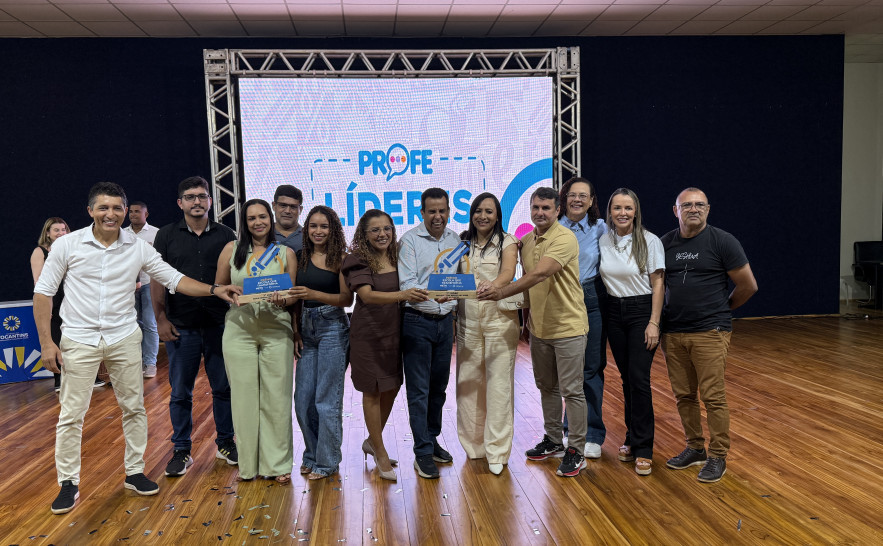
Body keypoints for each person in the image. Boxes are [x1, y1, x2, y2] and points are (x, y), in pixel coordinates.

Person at [34, 182, 240, 515]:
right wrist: (46, 342)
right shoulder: (67, 245)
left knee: (134, 408)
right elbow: (43, 293)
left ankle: (134, 472)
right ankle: (68, 483)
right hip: (79, 340)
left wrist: (214, 289)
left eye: (117, 207)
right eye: (103, 207)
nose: (111, 214)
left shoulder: (138, 247)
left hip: (124, 338)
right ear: (90, 211)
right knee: (71, 415)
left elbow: (174, 278)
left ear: (124, 211)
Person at [477, 187, 589, 478]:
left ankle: (576, 450)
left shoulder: (564, 237)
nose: (540, 212)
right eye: (536, 207)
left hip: (568, 327)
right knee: (547, 387)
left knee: (572, 391)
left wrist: (499, 292)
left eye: (546, 208)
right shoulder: (526, 241)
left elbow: (539, 274)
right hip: (540, 329)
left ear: (557, 211)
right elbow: (528, 286)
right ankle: (553, 440)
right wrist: (526, 322)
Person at [661, 187, 757, 483]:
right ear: (675, 210)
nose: (694, 209)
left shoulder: (723, 241)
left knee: (713, 397)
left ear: (708, 209)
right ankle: (695, 448)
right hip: (673, 332)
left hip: (710, 332)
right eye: (686, 205)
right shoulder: (664, 243)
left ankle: (717, 455)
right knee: (684, 395)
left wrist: (722, 310)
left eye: (699, 204)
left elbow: (748, 286)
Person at [151, 177, 237, 478]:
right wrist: (160, 318)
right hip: (181, 326)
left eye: (202, 196)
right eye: (190, 197)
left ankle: (226, 443)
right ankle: (181, 450)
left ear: (210, 200)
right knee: (180, 393)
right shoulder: (165, 235)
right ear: (180, 203)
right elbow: (157, 278)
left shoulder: (226, 234)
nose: (197, 202)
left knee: (223, 388)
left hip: (219, 324)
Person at [342, 209, 429, 482]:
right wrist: (403, 294)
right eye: (376, 230)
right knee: (372, 391)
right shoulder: (356, 259)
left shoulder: (396, 254)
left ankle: (372, 440)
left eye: (387, 228)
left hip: (394, 332)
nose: (383, 234)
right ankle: (379, 451)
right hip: (368, 335)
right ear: (364, 234)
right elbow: (367, 296)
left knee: (392, 386)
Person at [216, 198, 298, 483]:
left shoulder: (285, 253)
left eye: (262, 216)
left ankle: (277, 464)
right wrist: (230, 293)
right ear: (245, 222)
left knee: (277, 398)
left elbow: (292, 296)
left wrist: (284, 299)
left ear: (270, 218)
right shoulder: (231, 250)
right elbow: (219, 287)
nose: (258, 222)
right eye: (251, 218)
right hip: (239, 330)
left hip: (276, 329)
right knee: (243, 399)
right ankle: (248, 465)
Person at [599, 188, 665, 476]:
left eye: (628, 208)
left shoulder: (650, 241)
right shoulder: (604, 240)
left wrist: (654, 322)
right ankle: (631, 437)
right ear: (610, 212)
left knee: (639, 379)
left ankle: (645, 448)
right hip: (614, 312)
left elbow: (659, 284)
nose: (622, 213)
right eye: (617, 208)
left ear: (636, 211)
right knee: (627, 380)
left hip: (641, 312)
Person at [286, 205, 353, 481]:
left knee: (327, 400)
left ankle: (327, 462)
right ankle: (311, 456)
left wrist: (313, 293)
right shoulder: (299, 257)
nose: (318, 231)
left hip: (333, 328)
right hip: (306, 328)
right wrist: (295, 331)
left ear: (333, 229)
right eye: (313, 226)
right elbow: (293, 299)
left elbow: (346, 299)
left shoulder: (342, 259)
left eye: (324, 226)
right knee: (303, 400)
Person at [455, 193, 520, 475]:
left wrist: (493, 285)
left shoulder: (508, 241)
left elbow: (507, 272)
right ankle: (474, 447)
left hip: (500, 321)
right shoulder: (461, 243)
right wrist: (444, 291)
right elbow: (451, 276)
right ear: (471, 214)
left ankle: (497, 450)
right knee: (468, 385)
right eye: (478, 211)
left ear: (497, 216)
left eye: (489, 212)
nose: (483, 216)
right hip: (467, 321)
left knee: (499, 387)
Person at [399, 187, 461, 479]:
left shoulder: (455, 240)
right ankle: (422, 451)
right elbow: (407, 285)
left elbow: (459, 280)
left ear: (449, 211)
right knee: (419, 390)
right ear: (422, 212)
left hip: (445, 323)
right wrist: (434, 296)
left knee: (438, 388)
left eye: (442, 210)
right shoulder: (409, 240)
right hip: (417, 321)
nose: (438, 216)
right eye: (432, 211)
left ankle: (432, 439)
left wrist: (456, 297)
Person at [557, 177, 608, 460]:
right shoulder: (553, 227)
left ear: (591, 201)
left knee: (591, 368)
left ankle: (592, 434)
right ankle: (570, 430)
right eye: (572, 195)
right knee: (568, 372)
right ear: (564, 199)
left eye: (583, 196)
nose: (577, 199)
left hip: (591, 300)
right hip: (560, 301)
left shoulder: (601, 228)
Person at [31, 217, 73, 392]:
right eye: (56, 230)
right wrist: (45, 307)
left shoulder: (71, 249)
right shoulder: (40, 251)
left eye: (63, 229)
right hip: (53, 301)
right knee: (56, 338)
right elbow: (39, 282)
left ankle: (88, 377)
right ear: (47, 233)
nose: (61, 233)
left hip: (71, 300)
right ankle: (59, 379)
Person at [124, 201, 159, 378]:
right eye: (131, 211)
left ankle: (150, 363)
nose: (133, 214)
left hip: (149, 283)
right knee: (133, 324)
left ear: (146, 214)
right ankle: (136, 362)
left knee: (150, 323)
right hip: (128, 286)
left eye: (137, 211)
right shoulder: (122, 233)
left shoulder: (156, 233)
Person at [273, 184, 304, 254]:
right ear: (274, 206)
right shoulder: (262, 235)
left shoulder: (309, 237)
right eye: (283, 205)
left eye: (293, 207)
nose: (287, 211)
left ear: (300, 209)